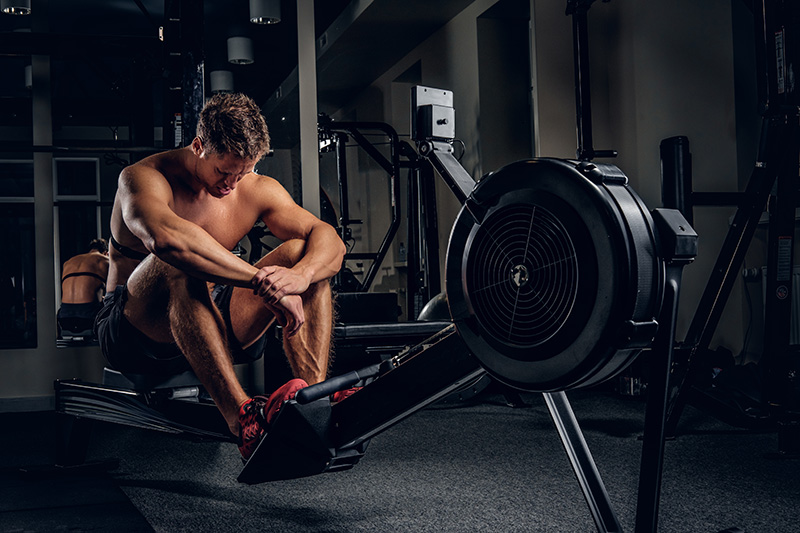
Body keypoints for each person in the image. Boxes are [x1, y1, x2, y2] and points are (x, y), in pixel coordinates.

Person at [94, 93, 347, 461]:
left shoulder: (254, 187)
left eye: (243, 172)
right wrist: (265, 285)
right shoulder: (143, 179)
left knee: (298, 251)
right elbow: (168, 241)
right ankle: (243, 420)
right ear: (199, 146)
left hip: (210, 322)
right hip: (135, 334)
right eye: (223, 171)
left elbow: (330, 242)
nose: (231, 183)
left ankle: (314, 400)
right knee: (178, 260)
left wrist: (300, 277)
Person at [58, 238, 109, 337]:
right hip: (88, 319)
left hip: (64, 319)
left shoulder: (69, 262)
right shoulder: (104, 260)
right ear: (105, 253)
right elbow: (115, 291)